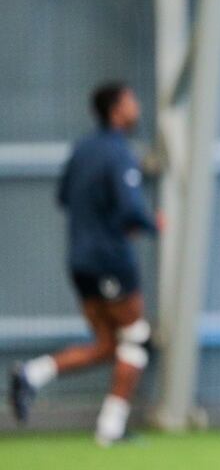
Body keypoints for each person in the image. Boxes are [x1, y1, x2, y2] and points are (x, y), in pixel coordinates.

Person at [8, 82, 157, 446]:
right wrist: (153, 224)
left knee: (107, 344)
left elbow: (63, 197)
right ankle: (111, 429)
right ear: (116, 109)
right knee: (137, 340)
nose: (136, 107)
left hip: (79, 261)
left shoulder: (81, 149)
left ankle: (32, 373)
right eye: (131, 101)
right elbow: (132, 208)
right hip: (110, 260)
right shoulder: (119, 152)